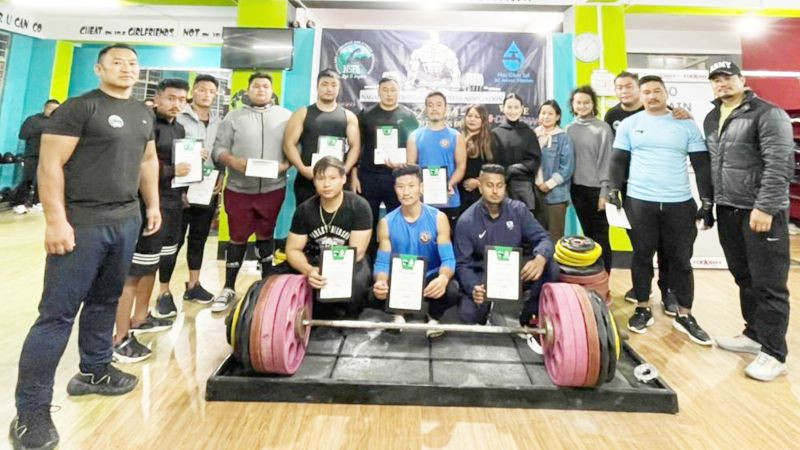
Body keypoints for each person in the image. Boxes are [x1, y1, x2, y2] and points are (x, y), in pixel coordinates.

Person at [10, 44, 161, 450]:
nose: (126, 68)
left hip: (125, 219)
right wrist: (56, 219)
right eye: (117, 62)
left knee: (105, 301)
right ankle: (31, 411)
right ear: (98, 68)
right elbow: (49, 165)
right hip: (82, 221)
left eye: (132, 63)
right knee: (57, 315)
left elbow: (148, 161)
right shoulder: (78, 108)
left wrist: (153, 205)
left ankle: (94, 370)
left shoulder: (143, 112)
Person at [703, 61, 793, 381]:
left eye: (728, 78)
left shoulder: (767, 113)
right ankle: (754, 334)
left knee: (769, 283)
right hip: (729, 209)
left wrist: (765, 207)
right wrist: (711, 205)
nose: (722, 84)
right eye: (716, 80)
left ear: (742, 80)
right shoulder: (712, 117)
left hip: (760, 211)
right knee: (744, 277)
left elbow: (780, 162)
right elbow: (716, 166)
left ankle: (774, 352)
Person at [607, 75, 714, 345]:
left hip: (680, 203)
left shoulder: (685, 124)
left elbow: (701, 164)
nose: (652, 96)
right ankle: (642, 307)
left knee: (680, 259)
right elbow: (618, 160)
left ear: (667, 93)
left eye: (657, 91)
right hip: (640, 202)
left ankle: (685, 314)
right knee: (642, 256)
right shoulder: (630, 124)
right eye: (647, 92)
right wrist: (612, 190)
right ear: (640, 96)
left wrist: (707, 201)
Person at [112, 78, 191, 362]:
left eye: (182, 99)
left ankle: (141, 317)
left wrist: (183, 187)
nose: (177, 104)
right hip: (147, 205)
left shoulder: (179, 127)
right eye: (171, 98)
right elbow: (136, 166)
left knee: (152, 264)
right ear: (157, 98)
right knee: (133, 271)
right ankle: (120, 337)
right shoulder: (145, 124)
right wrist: (172, 171)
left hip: (171, 204)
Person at [605, 71, 692, 312]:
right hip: (632, 191)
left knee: (668, 248)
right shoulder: (613, 115)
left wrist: (684, 115)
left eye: (629, 86)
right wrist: (613, 188)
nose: (624, 91)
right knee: (642, 247)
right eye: (619, 87)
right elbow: (615, 157)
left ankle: (669, 292)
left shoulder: (671, 113)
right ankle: (642, 292)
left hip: (666, 194)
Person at [211, 72, 292, 312]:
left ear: (272, 90)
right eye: (256, 86)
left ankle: (267, 285)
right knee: (237, 237)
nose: (261, 90)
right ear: (248, 90)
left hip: (273, 188)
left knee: (266, 235)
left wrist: (285, 165)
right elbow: (218, 150)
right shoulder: (233, 118)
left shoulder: (285, 117)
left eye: (266, 86)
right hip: (239, 189)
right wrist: (233, 162)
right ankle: (228, 287)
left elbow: (293, 148)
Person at [455, 164, 558, 333]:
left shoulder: (519, 210)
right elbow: (462, 264)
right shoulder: (466, 221)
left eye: (499, 185)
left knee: (550, 265)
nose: (495, 191)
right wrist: (473, 287)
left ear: (505, 187)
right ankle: (488, 308)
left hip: (516, 271)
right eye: (489, 185)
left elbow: (544, 238)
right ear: (480, 187)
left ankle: (529, 314)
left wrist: (540, 258)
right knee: (468, 315)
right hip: (485, 276)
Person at [372, 165, 459, 338]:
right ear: (395, 189)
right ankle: (398, 314)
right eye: (400, 186)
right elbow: (382, 262)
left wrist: (443, 278)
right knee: (373, 293)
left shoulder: (438, 218)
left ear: (421, 187)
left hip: (429, 277)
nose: (406, 192)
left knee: (451, 290)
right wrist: (381, 281)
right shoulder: (386, 222)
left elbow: (448, 259)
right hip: (401, 278)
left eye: (411, 186)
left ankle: (434, 318)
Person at [286, 156, 373, 318]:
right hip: (314, 260)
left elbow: (358, 252)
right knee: (284, 280)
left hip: (350, 261)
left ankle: (346, 314)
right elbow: (292, 249)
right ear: (314, 182)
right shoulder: (304, 210)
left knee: (356, 288)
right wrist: (309, 270)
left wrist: (329, 271)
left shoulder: (360, 206)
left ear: (343, 179)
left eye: (332, 178)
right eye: (320, 179)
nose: (326, 184)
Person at [354, 76, 419, 258]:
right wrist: (354, 174)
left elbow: (413, 148)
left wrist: (404, 164)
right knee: (368, 218)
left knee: (397, 219)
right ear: (379, 92)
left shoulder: (408, 116)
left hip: (397, 177)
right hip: (368, 176)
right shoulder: (366, 115)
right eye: (385, 90)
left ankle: (397, 258)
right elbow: (357, 147)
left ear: (398, 92)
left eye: (393, 90)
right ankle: (367, 259)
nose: (389, 94)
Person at [175, 74, 222, 304]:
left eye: (211, 91)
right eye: (202, 90)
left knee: (199, 237)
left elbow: (219, 153)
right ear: (194, 91)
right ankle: (163, 290)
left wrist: (221, 177)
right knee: (174, 240)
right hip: (179, 187)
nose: (206, 94)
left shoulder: (218, 121)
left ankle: (193, 285)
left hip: (207, 187)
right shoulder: (179, 117)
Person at [284, 69, 361, 205]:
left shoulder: (349, 116)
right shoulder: (302, 113)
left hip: (337, 181)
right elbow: (288, 144)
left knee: (337, 224)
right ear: (317, 87)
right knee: (306, 223)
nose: (329, 89)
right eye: (324, 84)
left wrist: (344, 171)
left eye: (333, 85)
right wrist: (302, 168)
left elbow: (355, 147)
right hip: (308, 180)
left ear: (338, 88)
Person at [565, 86, 613, 273]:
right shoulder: (568, 129)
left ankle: (604, 278)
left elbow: (606, 162)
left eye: (586, 102)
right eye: (578, 102)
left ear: (593, 104)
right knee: (587, 237)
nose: (582, 105)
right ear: (573, 105)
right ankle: (591, 276)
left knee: (601, 237)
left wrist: (604, 193)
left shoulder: (603, 129)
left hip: (597, 191)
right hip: (577, 190)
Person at [407, 91, 466, 225]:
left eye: (439, 105)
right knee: (423, 240)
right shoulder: (415, 136)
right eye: (430, 105)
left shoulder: (455, 136)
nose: (434, 108)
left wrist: (450, 184)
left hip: (449, 200)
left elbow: (461, 166)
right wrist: (420, 187)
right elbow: (411, 167)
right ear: (425, 109)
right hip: (422, 200)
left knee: (448, 241)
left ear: (446, 108)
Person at [490, 93, 542, 217]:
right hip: (500, 185)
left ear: (522, 109)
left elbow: (534, 160)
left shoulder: (529, 133)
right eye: (509, 107)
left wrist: (513, 169)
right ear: (502, 108)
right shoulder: (494, 133)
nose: (512, 111)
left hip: (522, 185)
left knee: (525, 222)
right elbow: (490, 161)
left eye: (516, 107)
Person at [534, 99, 574, 241]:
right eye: (543, 113)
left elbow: (567, 168)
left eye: (550, 113)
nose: (546, 116)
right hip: (535, 194)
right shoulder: (533, 135)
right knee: (536, 236)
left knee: (554, 237)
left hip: (556, 196)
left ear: (557, 116)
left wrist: (548, 184)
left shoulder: (563, 137)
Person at [13, 99, 60, 214]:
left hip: (49, 156)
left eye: (56, 110)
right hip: (32, 155)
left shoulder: (58, 123)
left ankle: (37, 202)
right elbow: (22, 135)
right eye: (51, 109)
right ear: (45, 108)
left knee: (43, 181)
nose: (53, 112)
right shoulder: (33, 120)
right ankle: (20, 203)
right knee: (28, 179)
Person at [458, 104, 493, 214]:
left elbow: (497, 167)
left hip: (481, 192)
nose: (472, 119)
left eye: (477, 117)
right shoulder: (456, 137)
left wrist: (479, 181)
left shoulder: (491, 140)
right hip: (458, 192)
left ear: (483, 120)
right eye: (469, 116)